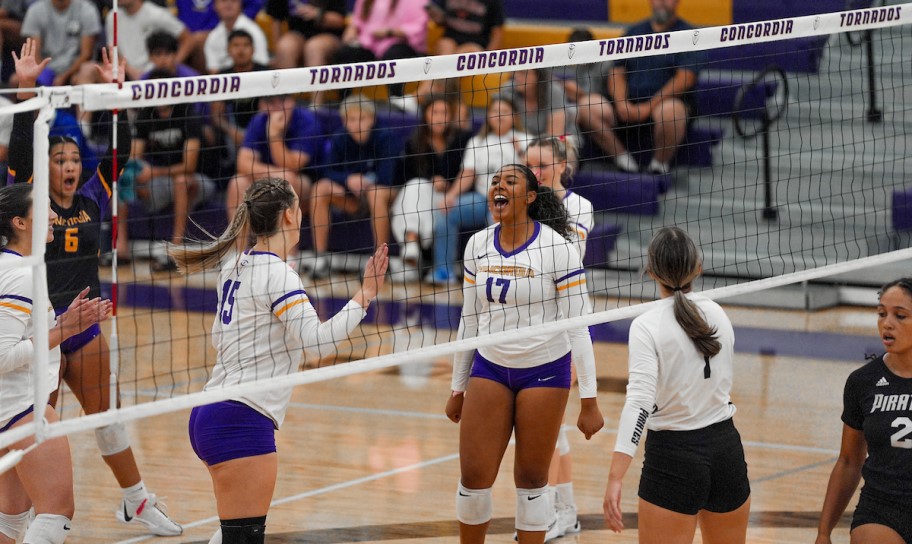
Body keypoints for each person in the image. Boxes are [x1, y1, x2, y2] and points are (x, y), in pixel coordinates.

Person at [8, 41, 183, 537]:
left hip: (82, 324)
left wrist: (114, 94)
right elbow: (23, 147)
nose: (66, 165)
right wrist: (26, 88)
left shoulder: (94, 193)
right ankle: (18, 519)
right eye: (58, 158)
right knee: (35, 427)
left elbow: (119, 149)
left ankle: (137, 500)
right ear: (46, 166)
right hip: (38, 330)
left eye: (72, 159)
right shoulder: (30, 197)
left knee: (105, 416)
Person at [169, 177, 388, 544]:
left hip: (209, 412)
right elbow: (318, 345)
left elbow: (217, 338)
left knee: (231, 535)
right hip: (241, 420)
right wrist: (364, 295)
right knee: (243, 538)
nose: (302, 214)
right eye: (300, 207)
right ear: (289, 216)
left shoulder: (236, 266)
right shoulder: (279, 274)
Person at [445, 163, 603, 544]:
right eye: (495, 181)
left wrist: (590, 401)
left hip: (545, 371)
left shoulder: (558, 250)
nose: (498, 186)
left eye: (509, 182)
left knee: (532, 481)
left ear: (530, 197)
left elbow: (578, 326)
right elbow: (469, 320)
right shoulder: (477, 244)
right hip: (490, 367)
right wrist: (457, 387)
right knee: (473, 480)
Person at [602, 226, 750, 544]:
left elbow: (639, 403)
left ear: (650, 271)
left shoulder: (646, 325)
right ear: (698, 267)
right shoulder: (718, 314)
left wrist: (615, 477)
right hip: (727, 452)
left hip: (674, 457)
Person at [0, 183, 112, 544]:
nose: (53, 215)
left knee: (10, 521)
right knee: (55, 513)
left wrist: (65, 325)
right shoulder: (21, 275)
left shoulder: (11, 266)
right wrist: (63, 330)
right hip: (23, 408)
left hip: (8, 409)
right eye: (43, 209)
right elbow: (2, 356)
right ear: (19, 222)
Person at [523, 135, 591, 538]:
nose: (535, 173)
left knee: (549, 425)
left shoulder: (579, 206)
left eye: (543, 165)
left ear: (562, 165)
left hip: (563, 324)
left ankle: (556, 511)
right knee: (548, 428)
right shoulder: (519, 202)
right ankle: (560, 509)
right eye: (529, 165)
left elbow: (569, 256)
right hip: (524, 324)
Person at [816, 278, 912, 544]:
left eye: (900, 316)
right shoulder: (863, 381)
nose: (887, 323)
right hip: (882, 508)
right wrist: (823, 532)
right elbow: (848, 461)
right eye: (881, 314)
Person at [430, 94, 529, 285]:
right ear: (488, 116)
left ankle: (498, 274)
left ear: (514, 116)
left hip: (512, 202)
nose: (499, 116)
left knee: (497, 217)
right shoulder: (477, 142)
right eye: (494, 111)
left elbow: (533, 175)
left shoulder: (525, 140)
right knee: (445, 212)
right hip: (482, 198)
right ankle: (443, 271)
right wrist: (450, 196)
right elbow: (468, 174)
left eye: (505, 112)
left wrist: (521, 153)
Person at [606, 0, 702, 175]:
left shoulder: (690, 35)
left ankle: (658, 165)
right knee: (590, 107)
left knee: (670, 112)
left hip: (665, 105)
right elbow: (616, 71)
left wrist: (648, 107)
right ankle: (622, 158)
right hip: (629, 105)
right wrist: (621, 103)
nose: (662, 3)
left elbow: (686, 78)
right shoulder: (634, 32)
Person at [132, 74, 217, 271]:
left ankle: (175, 249)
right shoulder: (146, 114)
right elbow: (135, 159)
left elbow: (189, 166)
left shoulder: (187, 113)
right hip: (161, 182)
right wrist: (139, 171)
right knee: (123, 181)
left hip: (201, 180)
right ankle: (121, 250)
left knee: (182, 181)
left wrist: (153, 172)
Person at [310, 95, 397, 279]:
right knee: (320, 189)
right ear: (344, 121)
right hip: (354, 198)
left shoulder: (385, 137)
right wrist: (348, 180)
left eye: (362, 118)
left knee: (375, 193)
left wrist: (364, 183)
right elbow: (327, 172)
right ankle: (320, 259)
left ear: (372, 119)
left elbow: (387, 178)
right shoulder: (340, 138)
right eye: (351, 119)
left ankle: (380, 262)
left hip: (385, 197)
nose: (357, 124)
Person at [390, 94, 471, 280]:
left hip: (450, 198)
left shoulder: (462, 140)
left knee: (418, 191)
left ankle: (413, 253)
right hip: (418, 200)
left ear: (451, 116)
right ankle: (412, 243)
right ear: (425, 115)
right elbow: (403, 177)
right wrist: (430, 179)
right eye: (435, 112)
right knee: (417, 186)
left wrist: (448, 186)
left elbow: (469, 173)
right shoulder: (414, 142)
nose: (440, 117)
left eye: (445, 112)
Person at [227, 93, 320, 227]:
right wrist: (276, 174)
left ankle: (287, 248)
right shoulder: (259, 120)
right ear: (262, 105)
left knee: (286, 182)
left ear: (292, 101)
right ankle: (237, 247)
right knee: (238, 182)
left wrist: (274, 135)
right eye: (271, 102)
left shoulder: (307, 120)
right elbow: (243, 163)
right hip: (272, 177)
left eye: (282, 100)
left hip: (307, 183)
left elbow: (293, 165)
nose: (277, 107)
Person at [333, 0, 427, 99]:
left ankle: (395, 99)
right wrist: (352, 30)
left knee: (394, 56)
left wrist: (390, 32)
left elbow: (418, 27)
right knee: (346, 53)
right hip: (369, 43)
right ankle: (344, 99)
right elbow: (357, 21)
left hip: (400, 44)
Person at [18, 0, 100, 86]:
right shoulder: (35, 10)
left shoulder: (86, 9)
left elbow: (86, 54)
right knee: (17, 80)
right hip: (46, 68)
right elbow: (34, 53)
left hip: (75, 70)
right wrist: (43, 75)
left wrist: (64, 76)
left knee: (83, 75)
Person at [269, 0, 346, 71]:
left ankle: (315, 86)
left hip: (329, 33)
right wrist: (276, 51)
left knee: (314, 47)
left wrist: (317, 14)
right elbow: (276, 19)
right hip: (297, 33)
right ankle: (287, 85)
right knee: (286, 47)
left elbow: (340, 21)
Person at [503, 69, 576, 141]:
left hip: (559, 145)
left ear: (538, 75)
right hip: (522, 145)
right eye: (514, 72)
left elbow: (554, 138)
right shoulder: (508, 90)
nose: (516, 76)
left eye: (523, 72)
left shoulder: (553, 91)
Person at [203, 0, 268, 74]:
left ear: (240, 4)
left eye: (233, 1)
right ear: (214, 6)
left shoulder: (255, 32)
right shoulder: (213, 37)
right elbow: (213, 71)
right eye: (223, 1)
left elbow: (262, 68)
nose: (228, 4)